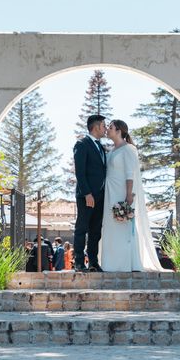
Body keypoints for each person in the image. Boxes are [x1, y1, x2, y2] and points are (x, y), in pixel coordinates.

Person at [100, 119, 168, 272]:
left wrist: (129, 194)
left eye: (110, 127)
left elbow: (130, 173)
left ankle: (126, 263)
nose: (107, 130)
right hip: (109, 193)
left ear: (119, 131)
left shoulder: (129, 149)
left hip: (122, 192)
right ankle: (110, 263)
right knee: (111, 228)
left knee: (123, 227)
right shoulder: (111, 151)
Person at [72, 114, 107, 272]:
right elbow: (80, 172)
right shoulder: (82, 143)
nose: (105, 129)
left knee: (95, 231)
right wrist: (87, 194)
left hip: (101, 196)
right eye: (104, 126)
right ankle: (79, 262)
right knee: (82, 228)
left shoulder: (100, 146)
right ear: (96, 127)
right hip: (86, 196)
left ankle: (93, 261)